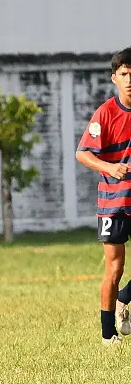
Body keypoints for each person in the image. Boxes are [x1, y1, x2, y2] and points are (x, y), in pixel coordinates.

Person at [76, 47, 131, 346]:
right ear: (114, 78)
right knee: (115, 267)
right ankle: (108, 333)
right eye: (124, 74)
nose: (129, 79)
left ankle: (124, 298)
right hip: (114, 202)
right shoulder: (105, 114)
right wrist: (111, 167)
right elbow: (82, 153)